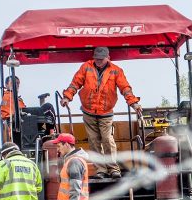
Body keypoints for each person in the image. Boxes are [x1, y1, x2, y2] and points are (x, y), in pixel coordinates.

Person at [60, 46, 143, 179]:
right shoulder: (86, 67)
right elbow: (75, 84)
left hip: (106, 113)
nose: (98, 61)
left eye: (101, 59)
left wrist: (134, 103)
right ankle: (100, 170)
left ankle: (113, 169)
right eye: (96, 59)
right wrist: (67, 97)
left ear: (108, 58)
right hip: (88, 112)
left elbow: (125, 88)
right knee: (93, 141)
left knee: (107, 139)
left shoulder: (116, 71)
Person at [0, 76, 26, 143]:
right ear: (6, 85)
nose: (16, 85)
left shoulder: (17, 98)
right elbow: (5, 115)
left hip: (25, 123)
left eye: (17, 83)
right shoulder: (6, 98)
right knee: (47, 107)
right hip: (17, 130)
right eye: (13, 83)